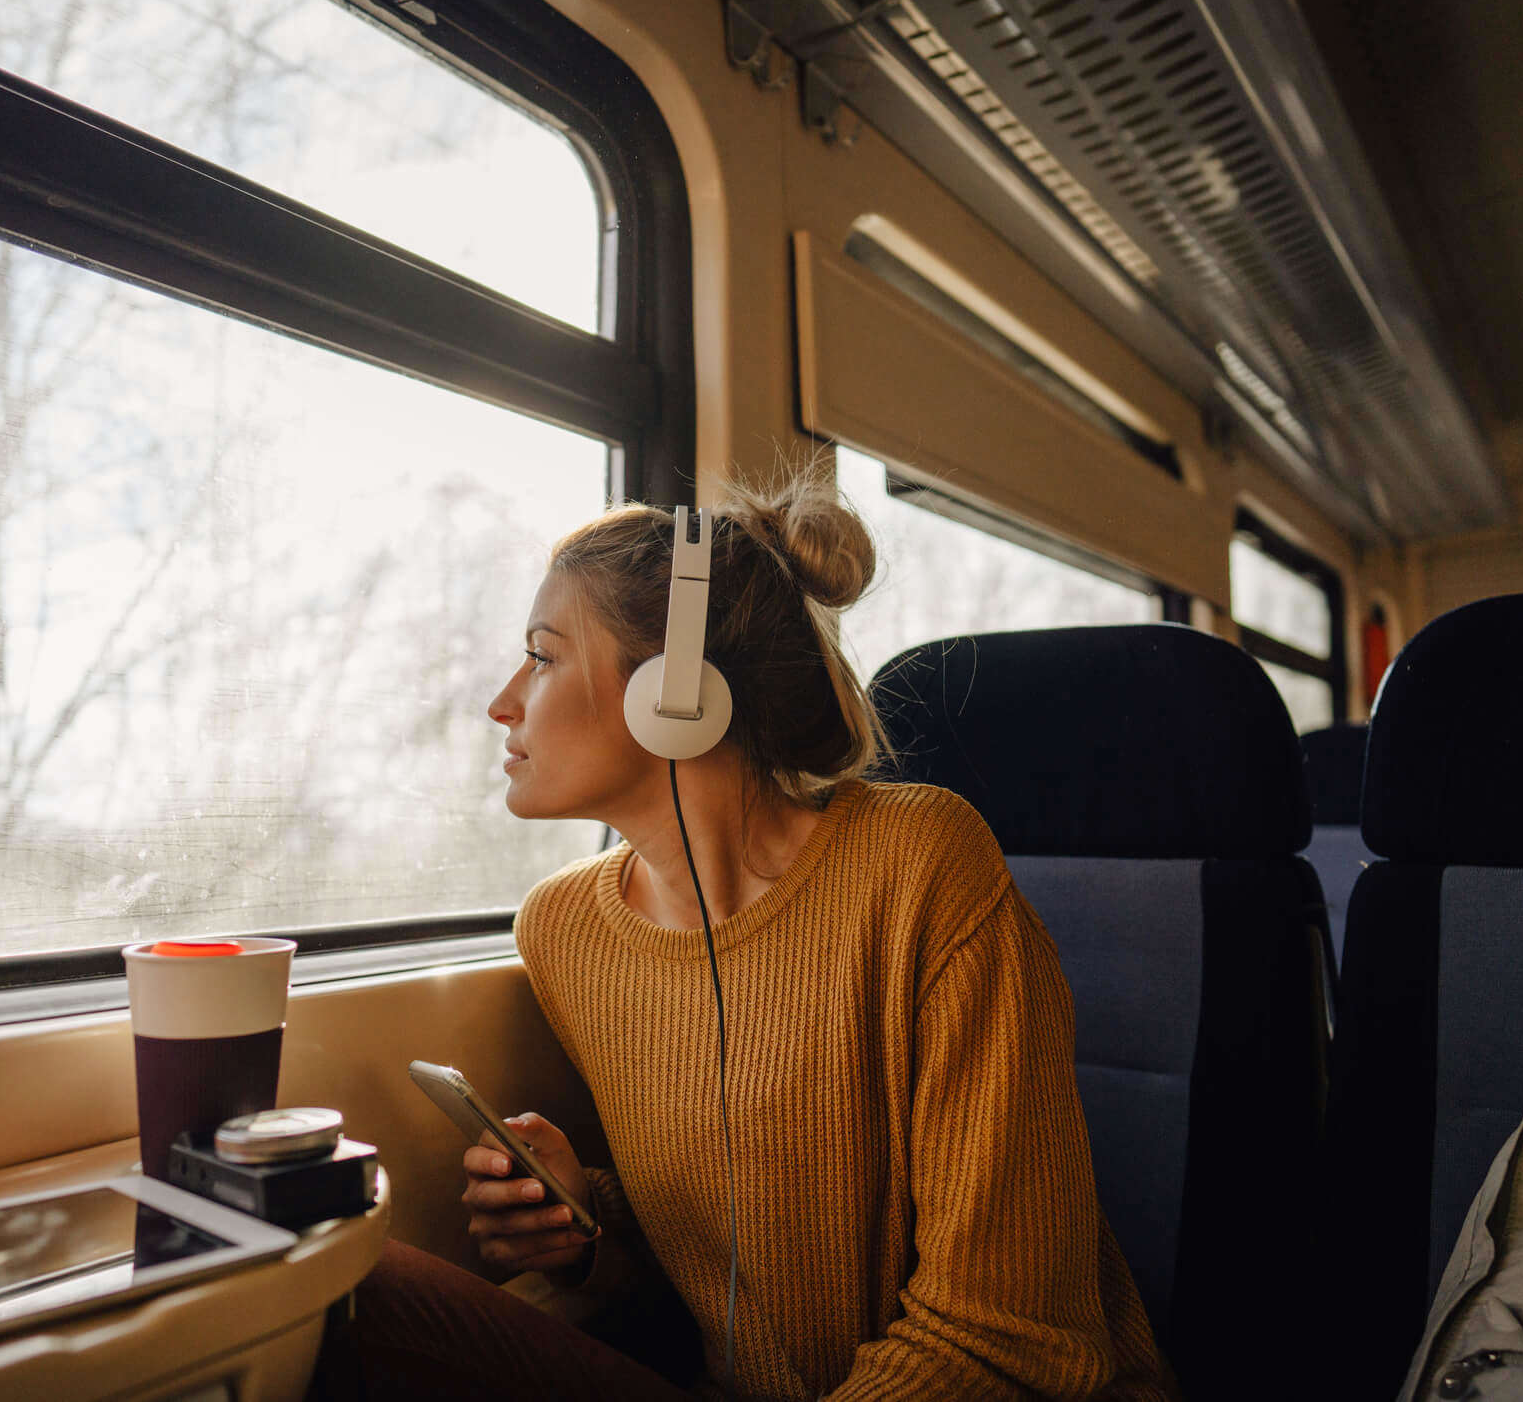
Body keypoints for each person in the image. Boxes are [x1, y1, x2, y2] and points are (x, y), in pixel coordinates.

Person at [321, 474, 1177, 1401]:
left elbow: (1011, 1336)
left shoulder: (921, 860)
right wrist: (589, 1233)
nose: (502, 702)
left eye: (541, 656)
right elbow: (722, 1274)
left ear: (673, 690)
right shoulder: (564, 929)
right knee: (356, 1291)